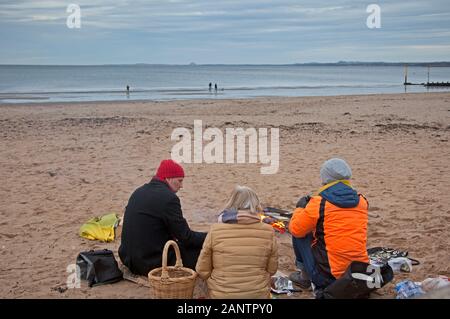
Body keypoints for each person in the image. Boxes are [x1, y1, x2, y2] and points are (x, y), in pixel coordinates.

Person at [288, 158, 369, 291]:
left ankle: (304, 277)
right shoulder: (362, 201)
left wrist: (300, 209)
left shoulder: (320, 203)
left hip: (328, 276)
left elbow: (296, 229)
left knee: (300, 230)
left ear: (325, 178)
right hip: (359, 274)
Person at [119, 159, 207, 276]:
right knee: (205, 253)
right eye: (179, 181)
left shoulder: (138, 191)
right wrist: (210, 236)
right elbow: (186, 237)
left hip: (128, 260)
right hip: (150, 263)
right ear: (168, 178)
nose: (181, 186)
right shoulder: (169, 198)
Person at [196, 185, 278, 298]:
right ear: (255, 205)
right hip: (257, 294)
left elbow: (202, 270)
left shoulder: (216, 230)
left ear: (231, 203)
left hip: (222, 294)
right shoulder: (268, 231)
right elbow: (272, 269)